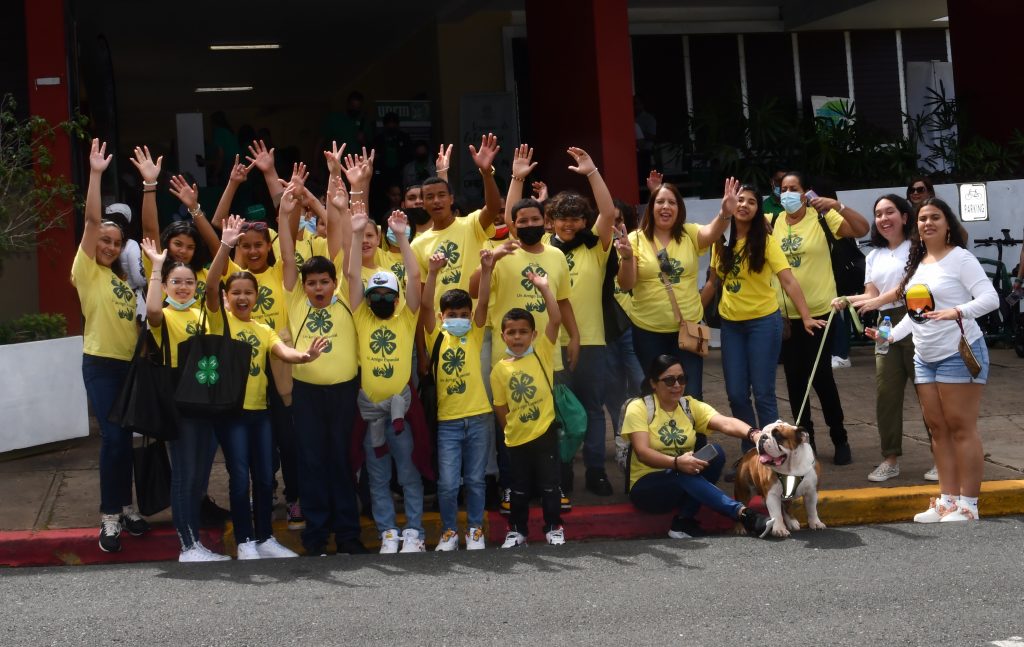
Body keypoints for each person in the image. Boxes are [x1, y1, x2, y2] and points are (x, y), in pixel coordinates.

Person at [206, 215, 328, 559]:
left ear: (257, 297)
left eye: (249, 293)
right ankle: (245, 541)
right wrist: (227, 244)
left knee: (262, 476)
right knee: (238, 477)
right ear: (228, 298)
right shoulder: (220, 319)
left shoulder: (263, 329)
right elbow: (213, 282)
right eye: (237, 293)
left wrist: (303, 356)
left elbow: (282, 351)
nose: (242, 298)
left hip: (259, 413)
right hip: (232, 413)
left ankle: (264, 538)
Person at [873, 198, 998, 523]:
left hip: (959, 352)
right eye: (923, 218)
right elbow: (916, 316)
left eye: (935, 217)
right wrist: (889, 337)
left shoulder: (961, 258)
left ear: (947, 224)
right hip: (924, 357)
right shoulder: (918, 262)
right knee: (938, 429)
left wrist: (958, 311)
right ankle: (947, 499)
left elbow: (990, 298)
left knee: (961, 428)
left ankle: (969, 504)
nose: (927, 223)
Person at [510, 145, 618, 495]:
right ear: (550, 220)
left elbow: (608, 211)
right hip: (550, 345)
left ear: (584, 221)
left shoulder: (595, 248)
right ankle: (564, 472)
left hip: (592, 341)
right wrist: (517, 178)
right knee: (559, 412)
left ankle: (597, 470)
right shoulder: (540, 245)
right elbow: (512, 219)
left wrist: (592, 172)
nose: (569, 223)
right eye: (562, 217)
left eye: (576, 218)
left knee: (591, 408)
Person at [278, 187, 367, 556]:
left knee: (342, 463)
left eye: (324, 282)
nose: (318, 287)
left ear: (334, 284)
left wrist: (347, 216)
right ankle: (315, 536)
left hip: (345, 393)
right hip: (307, 396)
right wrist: (284, 217)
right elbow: (286, 258)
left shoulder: (347, 297)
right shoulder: (296, 298)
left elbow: (348, 259)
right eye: (312, 282)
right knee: (312, 463)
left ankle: (348, 535)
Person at [703, 184, 822, 448]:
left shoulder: (766, 242)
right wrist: (690, 317)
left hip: (763, 325)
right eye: (739, 200)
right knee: (735, 394)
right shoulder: (720, 243)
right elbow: (712, 284)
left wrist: (805, 316)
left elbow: (788, 281)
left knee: (764, 394)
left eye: (751, 202)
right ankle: (751, 451)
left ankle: (772, 454)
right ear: (730, 206)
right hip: (731, 326)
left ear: (759, 210)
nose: (744, 205)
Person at [73, 139, 148, 553]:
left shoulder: (120, 280)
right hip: (101, 365)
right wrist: (97, 174)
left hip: (128, 365)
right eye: (105, 240)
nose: (110, 247)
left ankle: (126, 505)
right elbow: (88, 221)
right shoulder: (86, 271)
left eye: (116, 243)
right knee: (114, 437)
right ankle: (109, 516)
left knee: (127, 439)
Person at [770, 171, 870, 465]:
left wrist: (837, 206)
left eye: (794, 188)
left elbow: (862, 228)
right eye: (783, 188)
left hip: (819, 313)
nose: (787, 193)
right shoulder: (774, 223)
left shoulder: (822, 217)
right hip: (787, 316)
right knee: (794, 381)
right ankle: (805, 443)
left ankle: (839, 438)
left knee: (822, 377)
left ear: (805, 192)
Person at [139, 239, 229, 562]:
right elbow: (149, 310)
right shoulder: (162, 315)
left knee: (199, 475)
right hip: (179, 403)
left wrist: (226, 245)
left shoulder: (202, 313)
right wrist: (157, 266)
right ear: (164, 286)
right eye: (176, 282)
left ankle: (194, 544)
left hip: (205, 402)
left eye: (189, 282)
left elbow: (215, 283)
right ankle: (187, 546)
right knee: (185, 474)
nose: (183, 287)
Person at [622, 354, 774, 539]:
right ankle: (743, 514)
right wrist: (676, 462)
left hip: (682, 476)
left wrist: (754, 434)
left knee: (715, 453)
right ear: (654, 383)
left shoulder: (688, 406)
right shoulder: (639, 408)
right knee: (681, 474)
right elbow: (643, 453)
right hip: (647, 487)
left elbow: (725, 423)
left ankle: (683, 522)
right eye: (669, 380)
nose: (677, 385)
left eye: (682, 379)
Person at [348, 203, 427, 554]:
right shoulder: (361, 317)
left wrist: (400, 238)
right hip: (371, 414)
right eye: (375, 294)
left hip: (402, 414)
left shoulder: (405, 318)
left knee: (409, 475)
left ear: (397, 298)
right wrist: (354, 234)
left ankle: (414, 531)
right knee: (377, 478)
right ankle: (387, 532)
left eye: (387, 294)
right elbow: (352, 276)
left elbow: (415, 276)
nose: (381, 298)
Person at [617, 179, 738, 400]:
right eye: (660, 201)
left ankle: (695, 435)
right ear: (651, 207)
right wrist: (625, 258)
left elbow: (712, 233)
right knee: (656, 394)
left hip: (688, 329)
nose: (666, 207)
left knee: (691, 393)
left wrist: (725, 214)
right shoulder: (635, 239)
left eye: (672, 202)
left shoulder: (689, 233)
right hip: (648, 331)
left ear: (679, 208)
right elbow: (626, 284)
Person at [833, 195, 917, 482]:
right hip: (884, 324)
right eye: (878, 214)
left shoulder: (917, 248)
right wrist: (846, 300)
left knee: (928, 393)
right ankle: (890, 458)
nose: (883, 218)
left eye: (890, 212)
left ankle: (941, 458)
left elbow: (906, 289)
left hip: (916, 318)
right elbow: (870, 295)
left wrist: (873, 301)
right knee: (886, 395)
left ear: (905, 217)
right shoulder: (873, 256)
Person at [421, 249, 496, 551]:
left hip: (479, 417)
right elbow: (425, 305)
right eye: (452, 315)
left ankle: (475, 530)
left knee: (476, 480)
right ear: (442, 317)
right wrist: (433, 272)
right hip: (448, 423)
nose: (460, 319)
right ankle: (450, 531)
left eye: (464, 314)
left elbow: (485, 301)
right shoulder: (435, 335)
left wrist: (487, 269)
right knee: (448, 484)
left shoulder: (474, 334)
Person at [489, 271, 565, 548]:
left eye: (523, 332)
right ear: (503, 335)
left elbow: (555, 319)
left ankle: (554, 526)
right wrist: (510, 428)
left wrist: (545, 288)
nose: (518, 337)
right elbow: (500, 406)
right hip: (516, 438)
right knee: (518, 489)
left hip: (545, 433)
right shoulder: (499, 369)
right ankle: (517, 530)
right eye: (512, 332)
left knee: (549, 485)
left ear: (533, 334)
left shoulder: (543, 351)